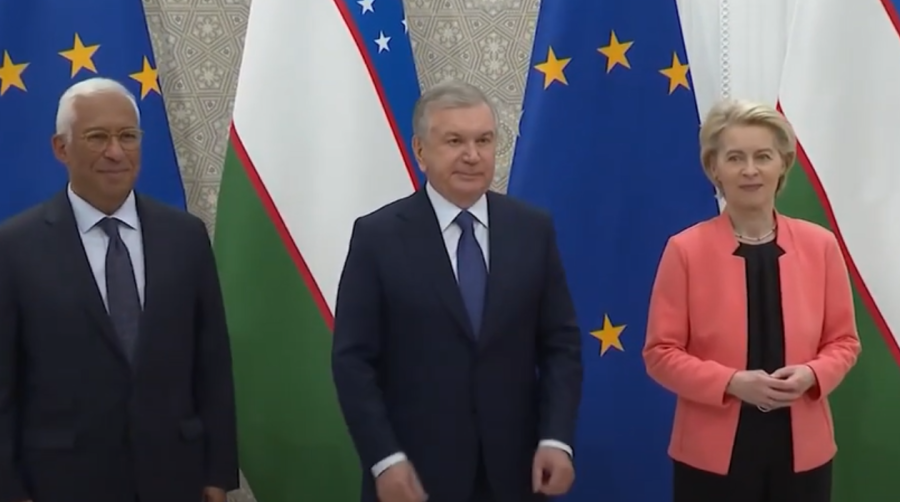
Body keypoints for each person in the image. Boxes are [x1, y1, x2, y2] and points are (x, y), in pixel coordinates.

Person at [331, 80, 583, 502]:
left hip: (516, 473)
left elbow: (561, 344)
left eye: (483, 140)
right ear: (421, 151)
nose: (472, 155)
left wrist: (556, 438)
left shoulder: (531, 229)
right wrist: (384, 458)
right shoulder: (377, 237)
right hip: (414, 475)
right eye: (454, 141)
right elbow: (353, 360)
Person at [0, 77, 239, 502]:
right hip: (62, 483)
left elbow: (212, 365)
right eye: (97, 137)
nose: (116, 151)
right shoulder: (15, 247)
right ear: (61, 148)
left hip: (175, 479)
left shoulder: (185, 236)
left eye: (128, 136)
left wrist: (217, 475)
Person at [642, 98, 861, 502]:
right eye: (735, 158)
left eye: (763, 156)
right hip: (711, 456)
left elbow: (844, 342)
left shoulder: (821, 245)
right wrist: (732, 383)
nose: (749, 170)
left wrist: (813, 375)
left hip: (803, 452)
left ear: (783, 165)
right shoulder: (685, 250)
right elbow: (660, 353)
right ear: (714, 169)